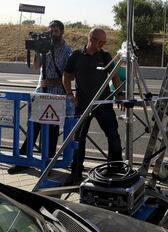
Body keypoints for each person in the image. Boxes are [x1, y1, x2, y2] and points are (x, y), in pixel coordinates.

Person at [8, 20, 72, 174]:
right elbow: (37, 66)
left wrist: (50, 81)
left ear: (62, 32)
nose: (52, 34)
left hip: (56, 94)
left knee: (51, 130)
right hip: (40, 92)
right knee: (33, 126)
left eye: (55, 31)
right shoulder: (46, 46)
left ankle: (47, 164)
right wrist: (37, 50)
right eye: (50, 31)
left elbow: (69, 76)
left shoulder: (67, 51)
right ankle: (23, 161)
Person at [63, 27, 125, 184]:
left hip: (102, 104)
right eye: (101, 41)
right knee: (79, 140)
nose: (103, 44)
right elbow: (66, 76)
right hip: (83, 105)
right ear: (91, 39)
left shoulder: (105, 56)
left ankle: (116, 170)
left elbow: (115, 77)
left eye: (105, 42)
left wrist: (120, 94)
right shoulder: (76, 56)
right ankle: (75, 172)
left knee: (113, 136)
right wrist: (70, 94)